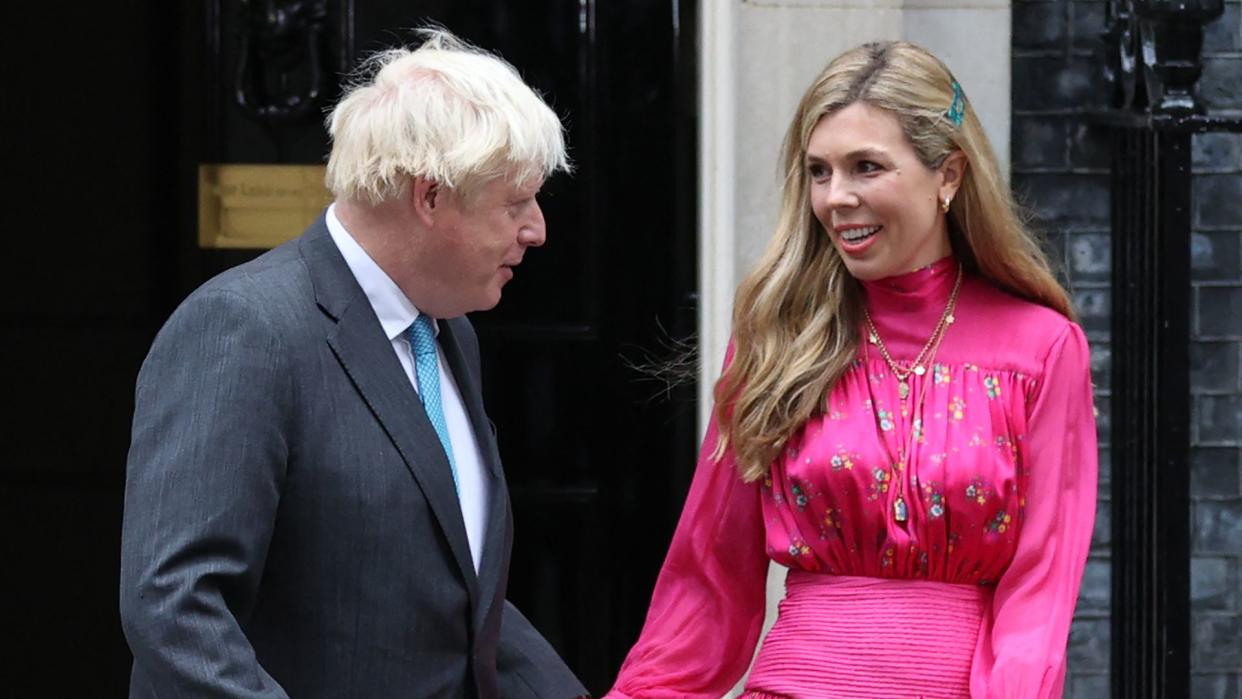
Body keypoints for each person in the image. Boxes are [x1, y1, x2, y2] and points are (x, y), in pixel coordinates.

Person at [605, 41, 1097, 698]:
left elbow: (1039, 590)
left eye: (866, 167)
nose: (836, 197)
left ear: (948, 174)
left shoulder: (1041, 349)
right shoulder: (777, 340)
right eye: (818, 171)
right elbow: (708, 581)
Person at [120, 29, 588, 699]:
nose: (536, 228)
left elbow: (458, 599)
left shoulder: (450, 331)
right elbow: (176, 608)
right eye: (515, 203)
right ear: (429, 197)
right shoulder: (244, 328)